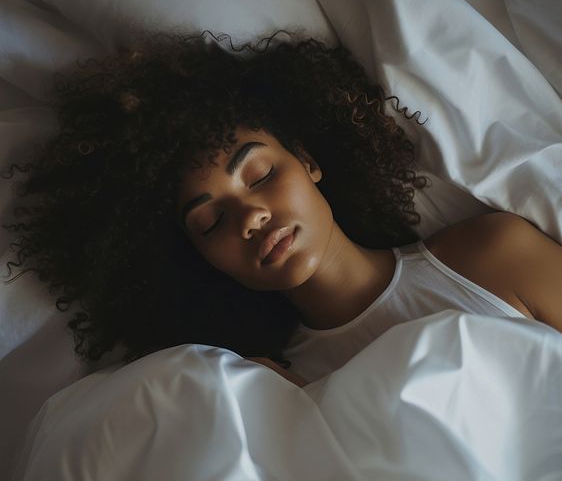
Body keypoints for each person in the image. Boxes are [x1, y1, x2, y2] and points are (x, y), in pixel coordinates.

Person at [3, 30, 561, 387]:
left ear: (309, 160)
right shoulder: (263, 389)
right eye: (210, 220)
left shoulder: (491, 255)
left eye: (261, 174)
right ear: (200, 258)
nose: (250, 217)